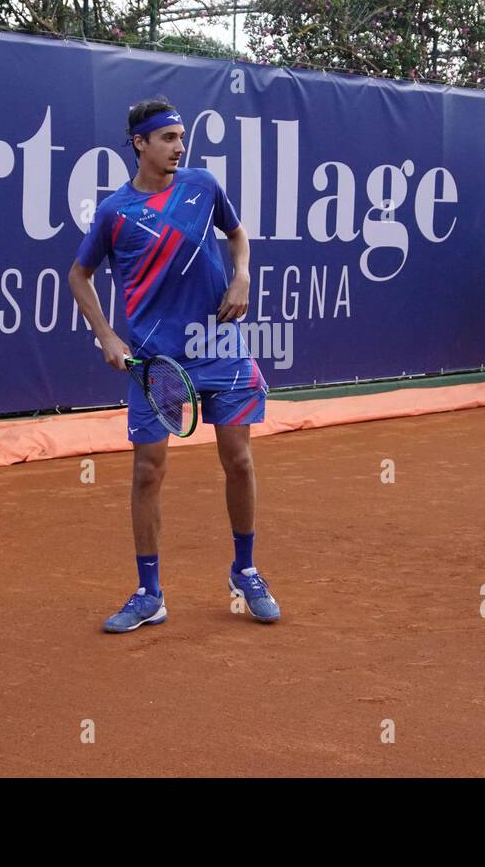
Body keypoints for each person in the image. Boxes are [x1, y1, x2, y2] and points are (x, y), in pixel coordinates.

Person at [68, 96, 280, 631]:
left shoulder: (203, 186)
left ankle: (246, 569)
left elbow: (237, 236)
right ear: (140, 144)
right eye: (167, 139)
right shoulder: (115, 212)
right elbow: (79, 276)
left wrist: (242, 276)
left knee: (238, 459)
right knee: (149, 471)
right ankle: (149, 593)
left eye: (182, 138)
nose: (179, 148)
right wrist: (108, 337)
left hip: (219, 347)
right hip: (155, 361)